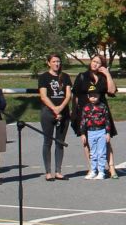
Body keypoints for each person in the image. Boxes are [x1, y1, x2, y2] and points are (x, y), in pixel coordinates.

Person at [75, 52, 118, 181]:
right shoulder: (82, 76)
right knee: (87, 142)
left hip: (101, 113)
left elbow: (111, 91)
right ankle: (92, 168)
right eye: (94, 61)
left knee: (106, 141)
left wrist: (107, 74)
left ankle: (111, 168)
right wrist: (75, 114)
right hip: (86, 113)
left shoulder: (103, 77)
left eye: (98, 63)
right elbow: (75, 96)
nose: (95, 64)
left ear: (102, 65)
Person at [35, 53, 73, 180]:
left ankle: (58, 171)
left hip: (64, 112)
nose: (57, 64)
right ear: (48, 63)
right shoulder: (44, 77)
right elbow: (43, 96)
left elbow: (68, 95)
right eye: (54, 61)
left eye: (58, 61)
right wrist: (54, 109)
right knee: (48, 142)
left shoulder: (65, 77)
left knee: (60, 142)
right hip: (48, 112)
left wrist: (60, 109)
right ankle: (48, 172)